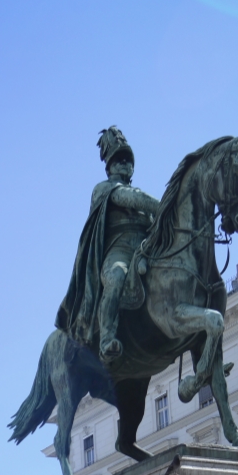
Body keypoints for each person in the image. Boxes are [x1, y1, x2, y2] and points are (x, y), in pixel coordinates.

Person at [56, 126, 159, 364]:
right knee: (116, 277)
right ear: (109, 166)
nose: (124, 164)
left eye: (127, 160)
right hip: (119, 251)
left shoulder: (141, 194)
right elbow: (128, 198)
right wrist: (165, 206)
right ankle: (107, 339)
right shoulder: (105, 189)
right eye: (118, 160)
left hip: (146, 250)